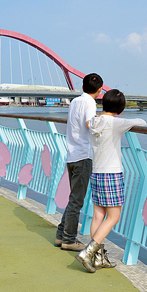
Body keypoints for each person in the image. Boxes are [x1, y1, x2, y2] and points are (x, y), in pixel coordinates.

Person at [76, 89, 146, 272]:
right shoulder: (115, 123)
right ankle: (87, 253)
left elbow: (91, 122)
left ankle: (98, 258)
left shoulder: (94, 121)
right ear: (120, 108)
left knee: (98, 215)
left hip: (97, 172)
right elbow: (141, 121)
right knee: (114, 217)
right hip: (112, 174)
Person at [55, 73, 104, 252]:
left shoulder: (75, 101)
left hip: (72, 154)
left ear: (82, 87)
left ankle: (61, 235)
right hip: (84, 155)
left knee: (73, 198)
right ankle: (69, 239)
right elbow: (90, 124)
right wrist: (103, 121)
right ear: (100, 90)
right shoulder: (90, 103)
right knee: (77, 200)